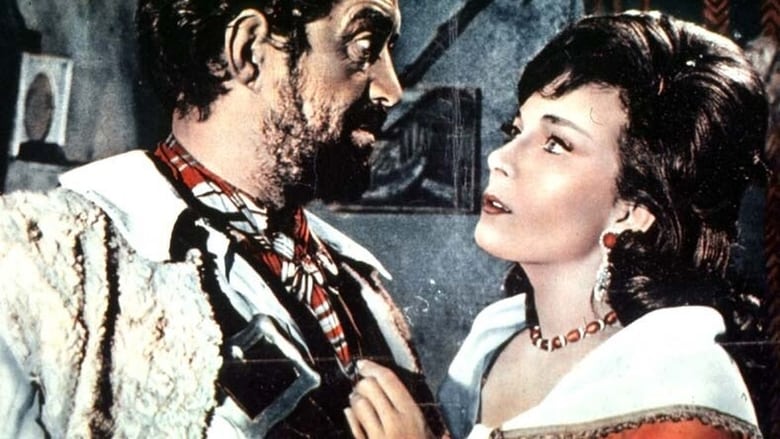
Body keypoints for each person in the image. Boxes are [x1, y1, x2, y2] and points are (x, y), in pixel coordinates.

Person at [0, 0, 446, 437]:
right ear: (248, 51)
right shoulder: (38, 262)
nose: (391, 89)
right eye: (364, 47)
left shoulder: (358, 283)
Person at [345, 11, 770, 439]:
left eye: (556, 144)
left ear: (634, 210)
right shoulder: (490, 343)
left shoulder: (680, 392)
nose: (500, 158)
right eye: (516, 130)